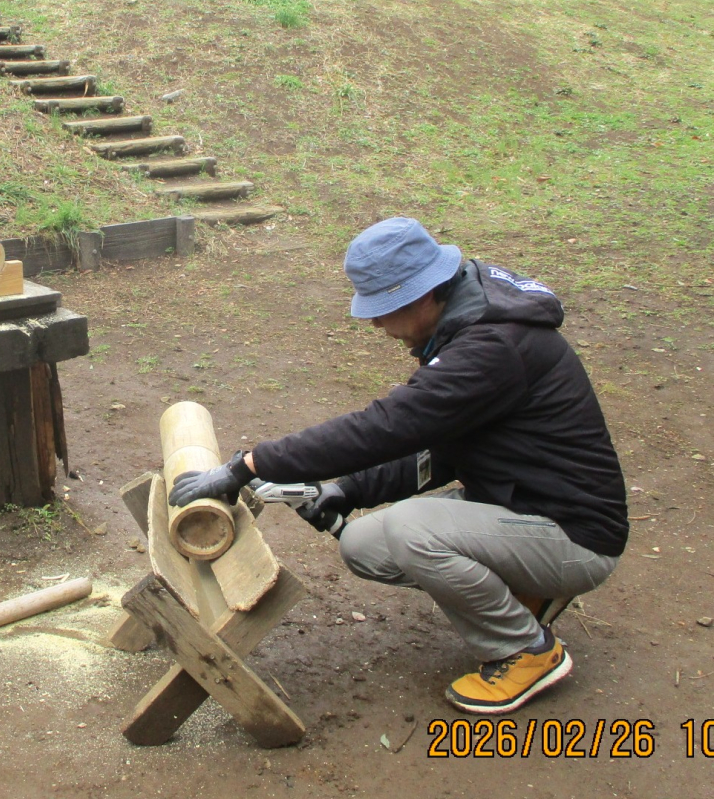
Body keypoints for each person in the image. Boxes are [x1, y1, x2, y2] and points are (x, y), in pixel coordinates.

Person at [169, 218, 628, 714]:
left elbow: (385, 428)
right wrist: (349, 490)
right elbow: (437, 444)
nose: (375, 324)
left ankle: (526, 652)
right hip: (516, 503)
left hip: (573, 535)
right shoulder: (467, 319)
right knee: (364, 545)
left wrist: (250, 465)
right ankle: (524, 593)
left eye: (382, 309)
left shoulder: (492, 347)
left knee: (412, 530)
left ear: (422, 294)